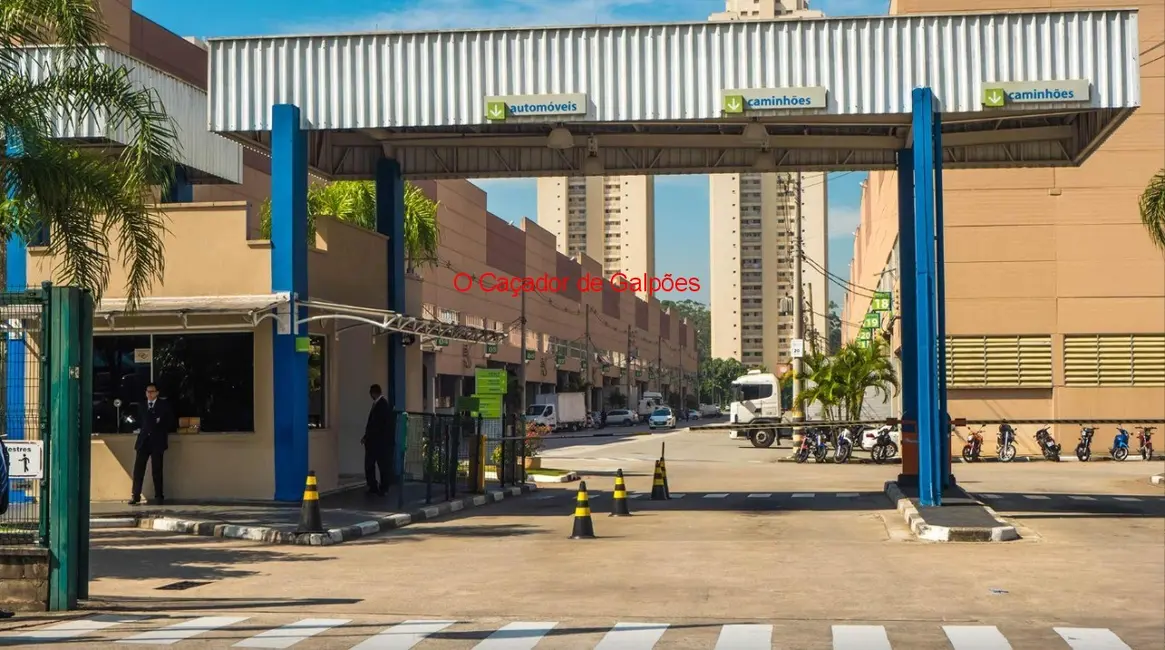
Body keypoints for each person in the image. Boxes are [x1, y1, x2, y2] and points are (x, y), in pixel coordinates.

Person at [129, 384, 174, 506]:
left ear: (157, 393)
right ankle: (135, 495)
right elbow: (137, 421)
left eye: (152, 392)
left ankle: (159, 495)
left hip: (157, 441)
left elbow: (168, 422)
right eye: (148, 392)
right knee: (138, 470)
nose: (149, 394)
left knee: (157, 469)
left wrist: (158, 422)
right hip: (144, 441)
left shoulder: (163, 405)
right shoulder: (142, 406)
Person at [362, 384, 393, 496]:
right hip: (374, 442)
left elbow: (378, 425)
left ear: (374, 393)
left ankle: (382, 487)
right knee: (370, 464)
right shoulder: (378, 404)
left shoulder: (382, 406)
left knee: (381, 465)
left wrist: (370, 437)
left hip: (378, 443)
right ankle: (374, 486)